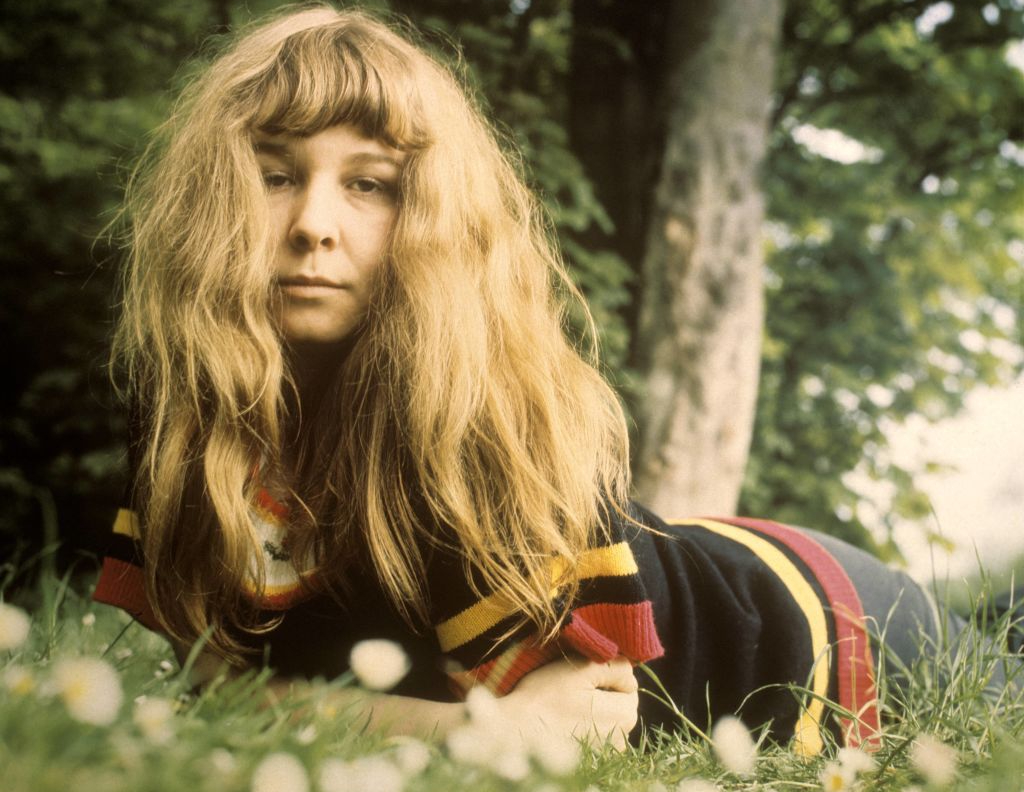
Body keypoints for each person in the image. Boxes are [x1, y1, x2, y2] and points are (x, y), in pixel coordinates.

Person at [92, 4, 1011, 756]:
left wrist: (398, 720)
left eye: (370, 185)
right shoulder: (191, 412)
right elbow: (215, 688)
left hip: (808, 620)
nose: (313, 225)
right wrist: (453, 724)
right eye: (273, 176)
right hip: (685, 549)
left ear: (431, 219)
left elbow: (578, 730)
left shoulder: (491, 425)